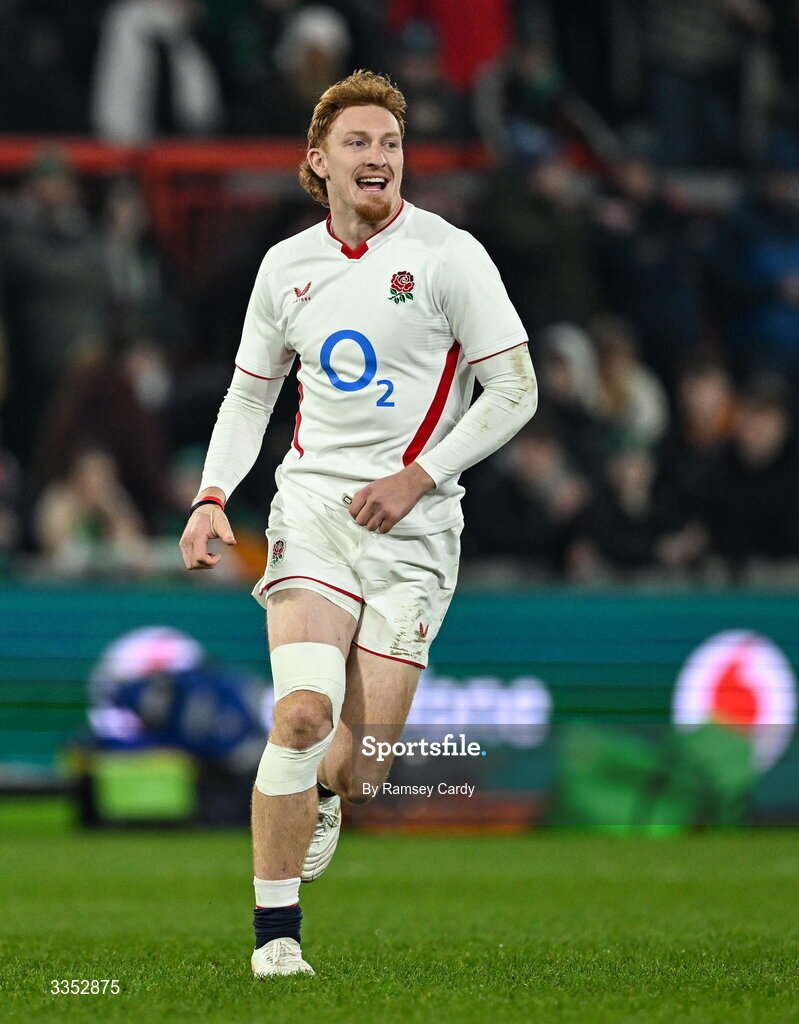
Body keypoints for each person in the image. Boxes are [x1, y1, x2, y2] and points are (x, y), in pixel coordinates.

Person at [179, 70, 538, 977]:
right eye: (358, 143)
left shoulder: (450, 256)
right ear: (319, 162)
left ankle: (331, 797)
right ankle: (276, 941)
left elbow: (515, 388)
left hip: (415, 536)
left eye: (390, 143)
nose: (378, 157)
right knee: (301, 714)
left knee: (360, 770)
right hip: (313, 514)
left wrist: (419, 478)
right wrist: (213, 495)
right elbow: (250, 395)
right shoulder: (285, 267)